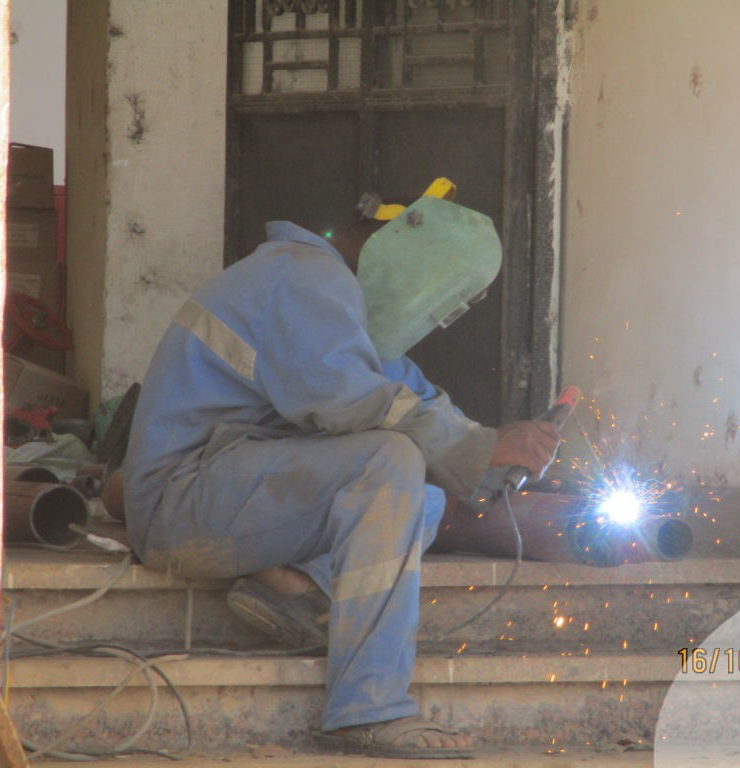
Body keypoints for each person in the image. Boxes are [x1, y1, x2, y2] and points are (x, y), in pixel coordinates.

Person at [122, 180, 560, 759]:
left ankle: (289, 585)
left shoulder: (337, 308)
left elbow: (417, 399)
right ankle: (369, 709)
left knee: (422, 499)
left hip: (229, 497)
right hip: (179, 507)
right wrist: (482, 446)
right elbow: (353, 401)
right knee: (390, 460)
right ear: (402, 244)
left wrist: (496, 459)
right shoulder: (303, 277)